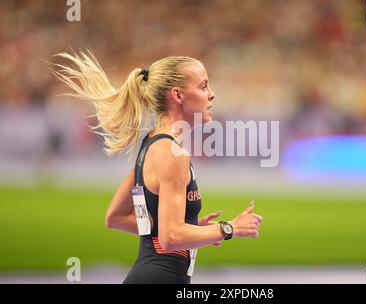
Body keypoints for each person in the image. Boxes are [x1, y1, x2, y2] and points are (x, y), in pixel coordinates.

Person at [53, 50, 263, 284]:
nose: (212, 95)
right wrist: (229, 228)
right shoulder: (172, 154)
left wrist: (191, 228)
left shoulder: (151, 144)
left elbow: (116, 217)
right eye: (203, 86)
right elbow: (171, 237)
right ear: (178, 95)